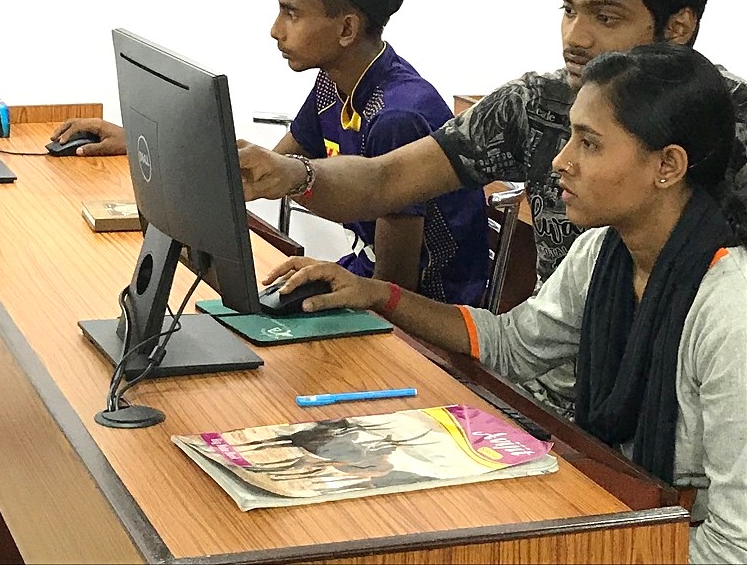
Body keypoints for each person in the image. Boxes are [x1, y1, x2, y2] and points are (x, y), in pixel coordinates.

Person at [236, 0, 747, 418]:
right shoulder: (535, 106)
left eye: (605, 17)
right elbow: (387, 177)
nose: (575, 37)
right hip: (542, 399)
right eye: (569, 10)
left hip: (684, 424)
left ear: (678, 28)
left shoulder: (736, 132)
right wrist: (290, 175)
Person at [260, 44, 747, 564]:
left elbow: (733, 545)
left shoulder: (729, 313)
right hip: (618, 514)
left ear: (668, 166)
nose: (562, 162)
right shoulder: (601, 253)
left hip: (670, 542)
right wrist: (381, 295)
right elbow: (512, 346)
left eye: (589, 144)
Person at [50, 0, 489, 305]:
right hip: (362, 275)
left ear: (347, 30)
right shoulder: (333, 84)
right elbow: (263, 171)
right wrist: (146, 141)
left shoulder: (397, 116)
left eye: (292, 13)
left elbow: (395, 289)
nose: (275, 29)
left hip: (425, 320)